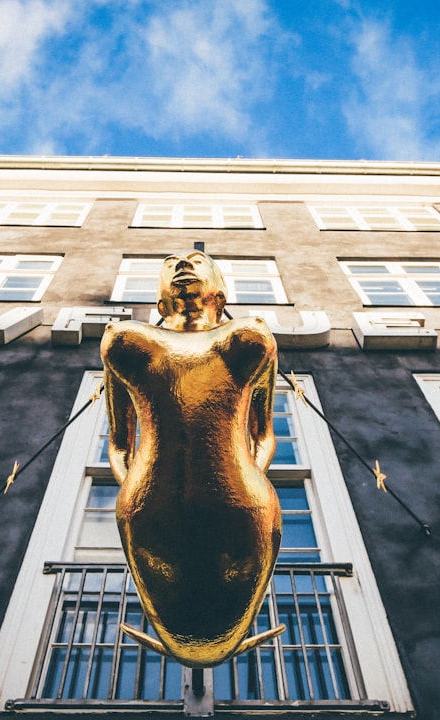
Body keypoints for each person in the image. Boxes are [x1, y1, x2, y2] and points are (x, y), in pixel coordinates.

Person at [100, 250, 284, 668]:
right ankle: (195, 640)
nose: (182, 264)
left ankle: (212, 639)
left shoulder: (251, 336)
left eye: (197, 260)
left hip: (243, 500)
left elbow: (263, 433)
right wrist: (132, 488)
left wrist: (249, 477)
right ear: (160, 302)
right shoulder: (125, 340)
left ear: (220, 292)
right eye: (169, 263)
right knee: (167, 579)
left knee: (229, 584)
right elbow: (119, 442)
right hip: (150, 502)